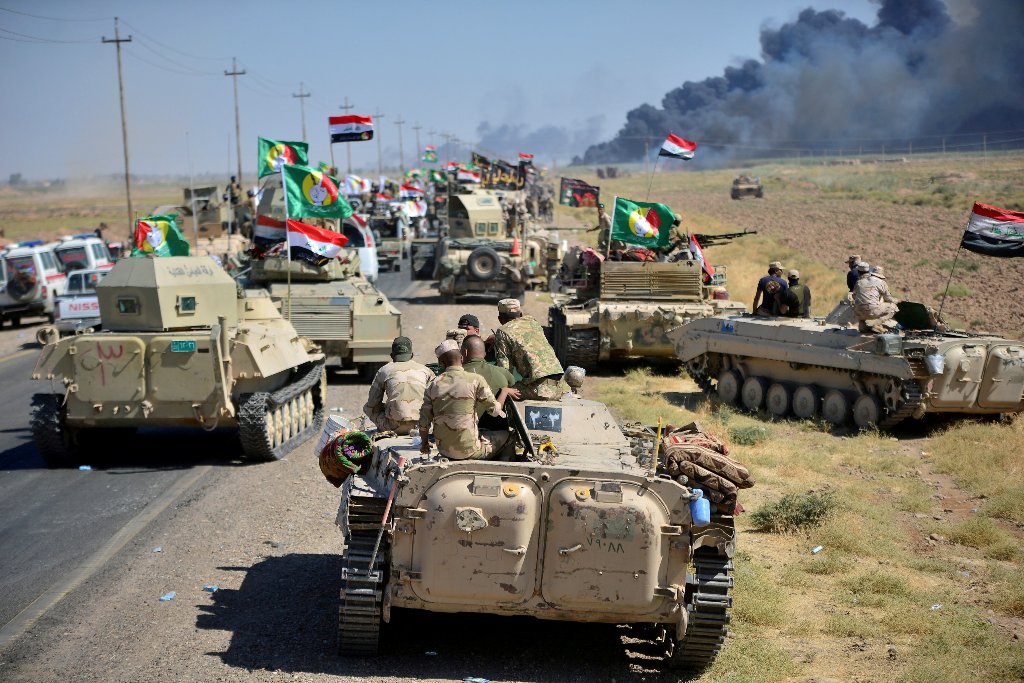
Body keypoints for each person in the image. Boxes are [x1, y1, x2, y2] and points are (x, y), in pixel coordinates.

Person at [418, 339, 506, 460]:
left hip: (444, 451)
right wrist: (504, 393)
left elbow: (423, 422)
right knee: (509, 437)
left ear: (441, 363)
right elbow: (494, 412)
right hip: (470, 451)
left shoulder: (433, 385)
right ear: (462, 358)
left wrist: (424, 444)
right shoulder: (476, 380)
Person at [493, 298, 568, 400]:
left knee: (499, 393)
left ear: (500, 319)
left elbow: (504, 372)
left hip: (539, 390)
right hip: (561, 386)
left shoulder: (502, 332)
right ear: (521, 314)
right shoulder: (533, 322)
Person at [362, 336, 435, 435]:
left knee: (367, 407)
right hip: (421, 426)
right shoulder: (425, 371)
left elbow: (372, 403)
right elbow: (436, 399)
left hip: (393, 427)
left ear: (392, 355)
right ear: (412, 355)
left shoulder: (384, 370)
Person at [853, 262, 900, 333]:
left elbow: (854, 296)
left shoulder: (859, 282)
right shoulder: (881, 282)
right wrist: (897, 300)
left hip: (858, 312)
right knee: (893, 307)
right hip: (872, 311)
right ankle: (876, 324)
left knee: (860, 304)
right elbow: (888, 299)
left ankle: (862, 325)